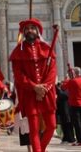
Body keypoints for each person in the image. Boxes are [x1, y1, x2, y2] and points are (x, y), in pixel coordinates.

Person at [10, 19, 57, 152]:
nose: (30, 30)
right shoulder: (18, 51)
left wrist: (44, 88)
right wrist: (34, 87)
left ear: (37, 31)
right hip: (29, 95)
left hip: (47, 94)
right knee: (34, 130)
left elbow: (52, 72)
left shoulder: (47, 49)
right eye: (27, 28)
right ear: (24, 32)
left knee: (52, 126)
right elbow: (18, 75)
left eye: (32, 28)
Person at [62, 66, 81, 145]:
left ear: (74, 73)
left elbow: (63, 87)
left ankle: (80, 141)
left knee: (77, 123)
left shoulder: (72, 81)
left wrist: (67, 78)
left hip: (74, 103)